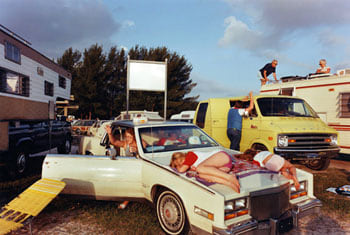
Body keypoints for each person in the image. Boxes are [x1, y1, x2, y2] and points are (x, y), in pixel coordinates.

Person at [170, 150, 240, 193]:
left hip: (221, 156)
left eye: (181, 161)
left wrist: (179, 167)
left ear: (183, 156)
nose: (182, 164)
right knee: (201, 175)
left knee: (199, 168)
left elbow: (181, 170)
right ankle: (228, 183)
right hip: (224, 167)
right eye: (179, 164)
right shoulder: (190, 164)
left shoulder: (190, 155)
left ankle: (230, 177)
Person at [236, 149, 300, 190]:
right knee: (291, 166)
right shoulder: (263, 151)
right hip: (276, 157)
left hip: (270, 163)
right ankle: (295, 177)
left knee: (283, 172)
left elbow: (260, 167)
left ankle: (289, 175)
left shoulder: (255, 159)